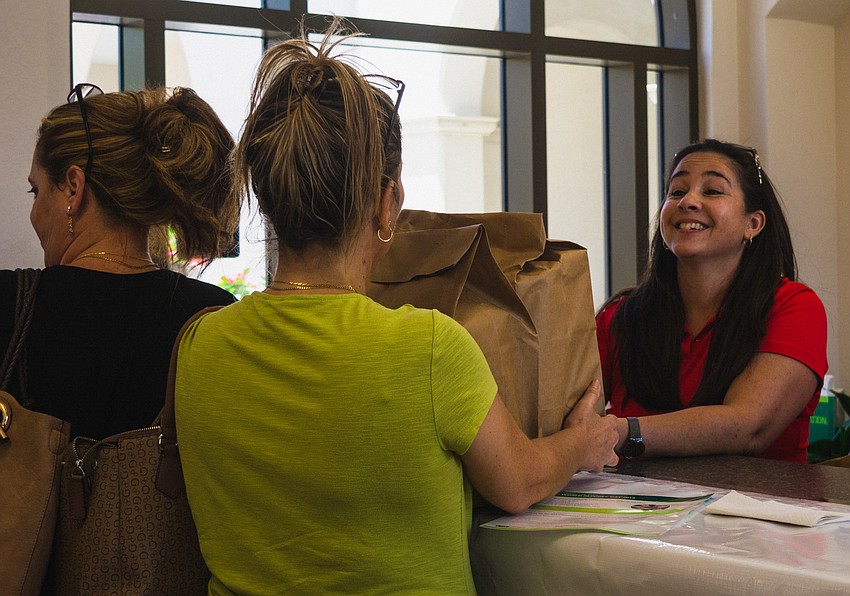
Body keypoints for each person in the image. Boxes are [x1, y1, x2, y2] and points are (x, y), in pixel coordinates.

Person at [175, 20, 618, 595]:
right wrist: (582, 443)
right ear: (388, 203)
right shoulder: (428, 347)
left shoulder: (200, 344)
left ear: (265, 192)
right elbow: (519, 483)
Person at [0, 84, 240, 440]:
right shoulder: (210, 317)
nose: (34, 211)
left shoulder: (10, 303)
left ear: (73, 187)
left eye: (36, 191)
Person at [596, 139, 828, 463]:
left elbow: (746, 426)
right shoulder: (619, 316)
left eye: (713, 191)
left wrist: (620, 432)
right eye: (677, 191)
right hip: (628, 497)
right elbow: (569, 412)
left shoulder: (794, 306)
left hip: (753, 497)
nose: (688, 201)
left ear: (753, 224)